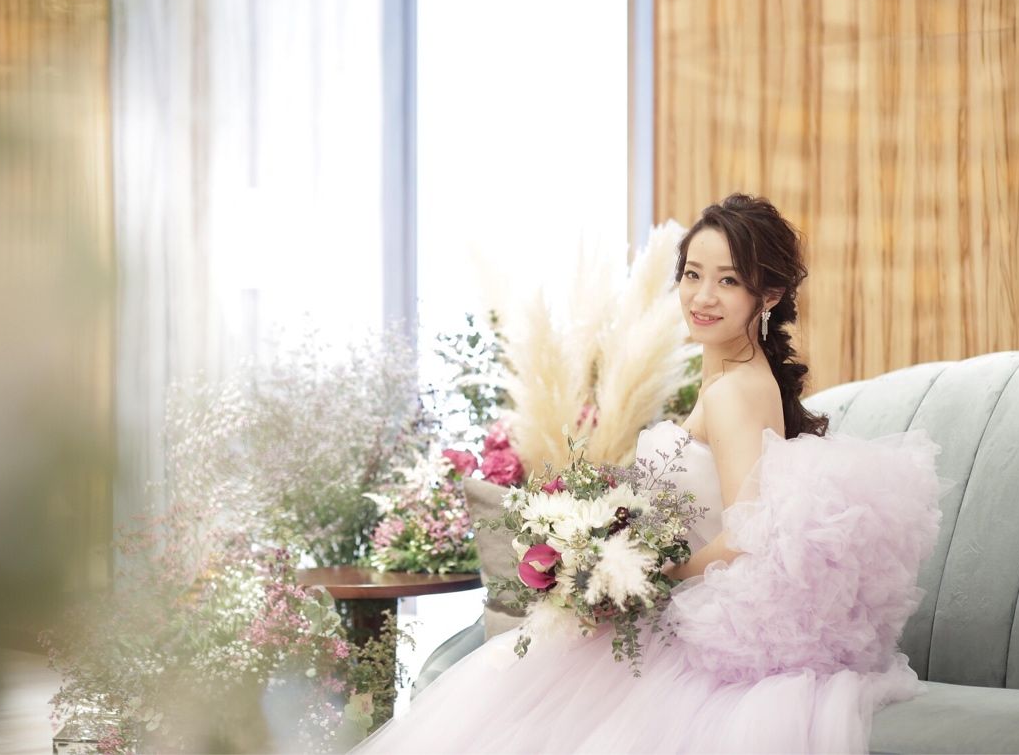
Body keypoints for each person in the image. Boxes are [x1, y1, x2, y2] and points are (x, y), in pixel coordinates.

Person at [354, 194, 947, 754]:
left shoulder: (736, 392)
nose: (702, 296)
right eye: (692, 274)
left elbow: (747, 533)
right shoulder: (725, 379)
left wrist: (647, 575)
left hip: (693, 617)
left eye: (728, 280)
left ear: (767, 294)